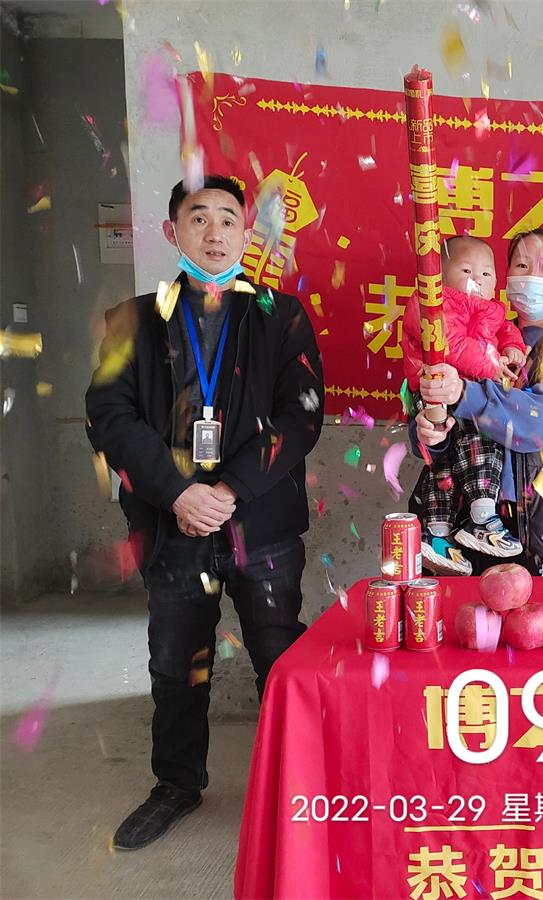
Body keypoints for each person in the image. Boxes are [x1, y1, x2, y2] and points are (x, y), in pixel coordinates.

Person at [85, 175, 324, 850]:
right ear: (173, 231)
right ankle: (176, 785)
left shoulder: (282, 316)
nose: (214, 232)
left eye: (227, 219)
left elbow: (302, 415)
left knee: (280, 653)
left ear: (247, 234)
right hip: (172, 525)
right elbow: (109, 415)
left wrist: (231, 490)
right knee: (176, 661)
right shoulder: (132, 320)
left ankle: (302, 786)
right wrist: (178, 493)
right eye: (198, 218)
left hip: (261, 524)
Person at [411, 228, 543, 577]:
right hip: (461, 517)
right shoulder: (474, 337)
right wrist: (429, 433)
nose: (532, 275)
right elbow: (431, 429)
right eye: (521, 265)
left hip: (535, 521)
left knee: (529, 610)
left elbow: (540, 422)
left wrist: (464, 394)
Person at [400, 235, 527, 574]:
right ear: (439, 277)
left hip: (465, 392)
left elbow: (504, 329)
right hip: (435, 388)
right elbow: (449, 344)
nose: (477, 280)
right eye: (467, 270)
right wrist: (492, 365)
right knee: (470, 446)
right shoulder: (433, 306)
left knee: (455, 460)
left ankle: (441, 531)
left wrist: (513, 348)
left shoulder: (491, 308)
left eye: (487, 274)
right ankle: (478, 518)